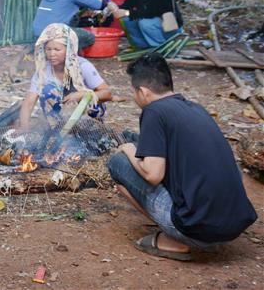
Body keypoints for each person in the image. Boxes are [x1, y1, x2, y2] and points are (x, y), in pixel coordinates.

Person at [107, 54, 257, 261]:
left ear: (142, 91)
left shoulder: (154, 111)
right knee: (140, 148)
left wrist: (128, 150)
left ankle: (176, 240)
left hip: (197, 229)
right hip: (234, 224)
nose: (134, 97)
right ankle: (186, 229)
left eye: (134, 92)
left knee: (118, 162)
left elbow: (153, 175)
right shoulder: (195, 108)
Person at [19, 24, 112, 129]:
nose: (52, 54)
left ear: (69, 50)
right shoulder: (43, 71)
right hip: (61, 113)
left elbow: (107, 94)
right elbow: (29, 102)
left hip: (88, 114)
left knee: (86, 108)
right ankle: (58, 125)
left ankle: (91, 128)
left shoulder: (83, 66)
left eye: (57, 49)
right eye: (48, 49)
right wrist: (23, 128)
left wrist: (82, 95)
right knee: (46, 90)